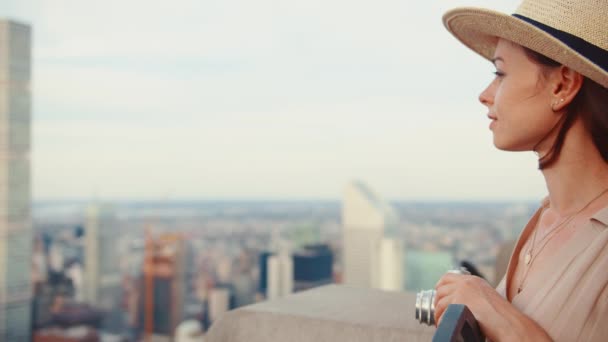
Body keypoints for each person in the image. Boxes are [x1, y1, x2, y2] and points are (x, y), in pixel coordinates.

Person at [434, 0, 608, 341]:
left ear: (563, 86)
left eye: (500, 73)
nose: (484, 95)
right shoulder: (544, 219)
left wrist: (490, 306)